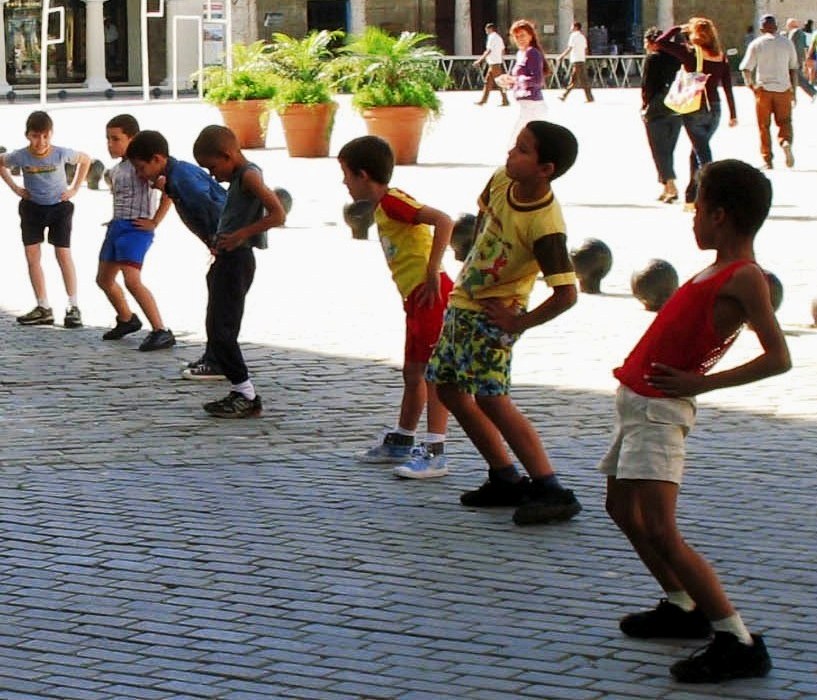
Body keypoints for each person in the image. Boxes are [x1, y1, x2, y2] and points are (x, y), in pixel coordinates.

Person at [601, 159, 790, 683]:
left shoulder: (744, 276)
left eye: (698, 207)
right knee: (620, 506)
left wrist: (703, 383)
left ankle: (736, 638)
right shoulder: (714, 268)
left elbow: (778, 357)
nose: (693, 217)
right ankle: (681, 604)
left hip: (660, 413)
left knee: (661, 527)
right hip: (638, 403)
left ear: (722, 215)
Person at [426, 120, 581, 526]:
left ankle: (551, 487)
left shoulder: (545, 225)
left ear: (545, 168)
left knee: (492, 398)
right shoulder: (501, 179)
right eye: (515, 146)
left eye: (523, 150)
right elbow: (483, 219)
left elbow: (566, 293)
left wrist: (519, 322)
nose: (511, 154)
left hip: (496, 317)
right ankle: (504, 475)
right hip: (465, 304)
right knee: (448, 388)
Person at [338, 136, 454, 479]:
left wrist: (433, 269)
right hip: (415, 298)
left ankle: (435, 450)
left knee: (433, 375)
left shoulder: (392, 202)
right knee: (413, 372)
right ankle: (403, 438)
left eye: (346, 174)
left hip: (429, 295)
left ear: (363, 175)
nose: (344, 182)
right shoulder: (384, 205)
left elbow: (444, 220)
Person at [189, 125, 287, 418]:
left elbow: (278, 213)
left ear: (228, 155)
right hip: (226, 260)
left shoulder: (249, 175)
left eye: (213, 167)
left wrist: (241, 235)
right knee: (216, 327)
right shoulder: (240, 176)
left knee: (223, 331)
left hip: (238, 260)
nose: (213, 174)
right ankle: (239, 390)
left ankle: (246, 394)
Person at [125, 130, 229, 383]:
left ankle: (219, 362)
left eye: (141, 168)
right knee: (217, 304)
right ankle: (213, 356)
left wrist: (218, 242)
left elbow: (212, 209)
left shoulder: (181, 178)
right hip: (224, 246)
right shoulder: (177, 174)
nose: (140, 175)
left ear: (158, 160)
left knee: (222, 309)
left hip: (229, 247)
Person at [0, 110, 90, 328]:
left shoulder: (60, 153)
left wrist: (75, 188)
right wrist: (15, 188)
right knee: (32, 256)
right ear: (27, 135)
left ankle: (73, 306)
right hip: (32, 208)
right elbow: (1, 162)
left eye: (45, 136)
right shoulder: (20, 156)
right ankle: (43, 306)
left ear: (51, 134)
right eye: (35, 136)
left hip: (59, 207)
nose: (40, 142)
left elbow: (85, 159)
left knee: (63, 254)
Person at [97, 114, 176, 351]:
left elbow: (168, 192)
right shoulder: (115, 170)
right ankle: (126, 318)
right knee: (104, 279)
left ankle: (160, 329)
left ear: (132, 139)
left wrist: (155, 221)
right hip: (117, 226)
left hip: (136, 228)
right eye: (108, 139)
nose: (111, 144)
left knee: (131, 279)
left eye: (116, 139)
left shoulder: (142, 168)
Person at [657, 18, 737, 211]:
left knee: (703, 155)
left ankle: (714, 193)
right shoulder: (720, 56)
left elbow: (660, 43)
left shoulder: (691, 54)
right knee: (697, 151)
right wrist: (733, 114)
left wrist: (677, 28)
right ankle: (691, 196)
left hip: (695, 108)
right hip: (715, 109)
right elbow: (727, 87)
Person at [740, 14, 798, 170]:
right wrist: (794, 92)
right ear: (777, 27)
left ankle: (767, 159)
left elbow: (745, 68)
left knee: (763, 126)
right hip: (783, 89)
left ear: (761, 28)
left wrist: (751, 86)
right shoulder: (787, 43)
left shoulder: (756, 44)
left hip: (764, 89)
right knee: (785, 121)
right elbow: (793, 68)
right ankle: (785, 142)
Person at [641, 27, 682, 203]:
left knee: (659, 150)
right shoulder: (677, 58)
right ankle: (666, 186)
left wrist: (645, 105)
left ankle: (671, 186)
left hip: (657, 106)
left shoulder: (652, 58)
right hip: (677, 105)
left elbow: (647, 85)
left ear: (650, 42)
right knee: (668, 149)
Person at [497, 19, 551, 143]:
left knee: (515, 141)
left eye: (522, 35)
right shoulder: (521, 53)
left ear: (530, 35)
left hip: (532, 104)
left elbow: (537, 80)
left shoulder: (532, 52)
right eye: (516, 36)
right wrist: (508, 81)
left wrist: (515, 79)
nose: (519, 39)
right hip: (524, 103)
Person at [557, 21, 594, 103]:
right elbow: (585, 49)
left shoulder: (573, 36)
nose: (570, 28)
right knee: (577, 79)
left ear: (576, 27)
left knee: (579, 80)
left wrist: (562, 56)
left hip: (576, 60)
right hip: (581, 59)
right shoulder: (582, 37)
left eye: (572, 26)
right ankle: (565, 95)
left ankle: (565, 95)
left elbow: (570, 48)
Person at [473, 23, 509, 107]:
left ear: (490, 29)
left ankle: (505, 100)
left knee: (500, 83)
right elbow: (503, 50)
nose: (486, 31)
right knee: (488, 82)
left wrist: (480, 60)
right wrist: (499, 58)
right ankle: (483, 100)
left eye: (486, 29)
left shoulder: (491, 37)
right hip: (495, 63)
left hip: (494, 63)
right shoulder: (499, 38)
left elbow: (489, 50)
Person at [784, 18, 816, 99]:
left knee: (798, 78)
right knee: (795, 78)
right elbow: (804, 48)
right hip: (798, 60)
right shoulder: (800, 33)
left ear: (789, 25)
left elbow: (792, 47)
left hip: (793, 60)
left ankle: (812, 93)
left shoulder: (795, 33)